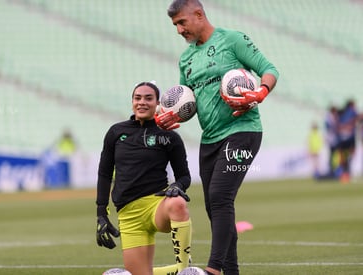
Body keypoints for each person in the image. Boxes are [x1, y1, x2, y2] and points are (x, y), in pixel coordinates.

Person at [157, 1, 279, 274]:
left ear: (199, 15)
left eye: (182, 22)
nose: (178, 30)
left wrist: (260, 92)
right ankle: (231, 271)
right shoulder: (186, 58)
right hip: (210, 138)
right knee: (214, 206)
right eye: (175, 25)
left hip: (243, 131)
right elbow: (185, 101)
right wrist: (170, 116)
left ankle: (212, 270)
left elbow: (270, 69)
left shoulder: (232, 40)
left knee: (220, 196)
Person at [95, 81, 192, 275]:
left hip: (157, 206)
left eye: (149, 98)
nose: (142, 102)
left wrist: (177, 186)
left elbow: (184, 176)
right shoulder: (116, 132)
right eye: (137, 98)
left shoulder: (169, 136)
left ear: (157, 103)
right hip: (129, 215)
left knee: (177, 202)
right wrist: (101, 214)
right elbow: (104, 174)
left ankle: (185, 270)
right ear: (132, 102)